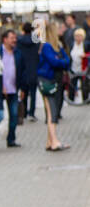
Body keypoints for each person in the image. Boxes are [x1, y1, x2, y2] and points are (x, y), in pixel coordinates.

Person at [37, 18, 71, 150]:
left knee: (52, 110)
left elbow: (67, 59)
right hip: (47, 82)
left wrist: (61, 61)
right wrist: (61, 61)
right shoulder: (46, 46)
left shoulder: (57, 46)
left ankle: (50, 141)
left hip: (55, 80)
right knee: (52, 111)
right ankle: (54, 141)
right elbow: (56, 62)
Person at [0, 28, 22, 147]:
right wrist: (0, 86)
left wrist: (22, 88)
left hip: (13, 88)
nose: (14, 40)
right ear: (5, 39)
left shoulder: (17, 53)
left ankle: (11, 139)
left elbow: (22, 71)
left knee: (14, 115)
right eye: (12, 38)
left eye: (15, 38)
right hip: (0, 89)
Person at [16, 22, 40, 124]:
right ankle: (31, 113)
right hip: (33, 69)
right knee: (33, 93)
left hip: (23, 70)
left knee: (23, 92)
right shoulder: (36, 40)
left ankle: (24, 112)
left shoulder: (19, 41)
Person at [69, 28, 86, 105]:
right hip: (73, 68)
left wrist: (85, 55)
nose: (78, 38)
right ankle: (71, 100)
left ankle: (85, 100)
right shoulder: (72, 44)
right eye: (76, 36)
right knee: (72, 85)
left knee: (84, 86)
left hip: (83, 68)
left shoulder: (86, 45)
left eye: (80, 36)